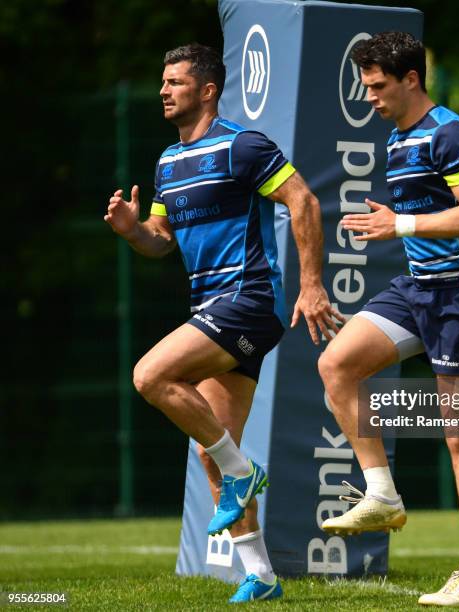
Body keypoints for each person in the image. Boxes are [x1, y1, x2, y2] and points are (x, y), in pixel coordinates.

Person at [104, 43, 341, 604]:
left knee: (149, 377)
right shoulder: (166, 161)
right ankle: (260, 577)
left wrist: (310, 285)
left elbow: (303, 201)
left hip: (249, 301)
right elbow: (161, 241)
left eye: (176, 82)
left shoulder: (243, 145)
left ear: (207, 90)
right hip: (211, 307)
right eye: (162, 82)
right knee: (216, 450)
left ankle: (242, 473)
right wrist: (132, 231)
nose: (164, 90)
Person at [318, 32, 459, 607]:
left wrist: (398, 225)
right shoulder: (398, 138)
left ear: (410, 80)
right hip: (417, 291)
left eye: (378, 86)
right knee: (337, 365)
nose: (370, 96)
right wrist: (399, 222)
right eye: (365, 86)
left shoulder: (449, 132)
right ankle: (383, 494)